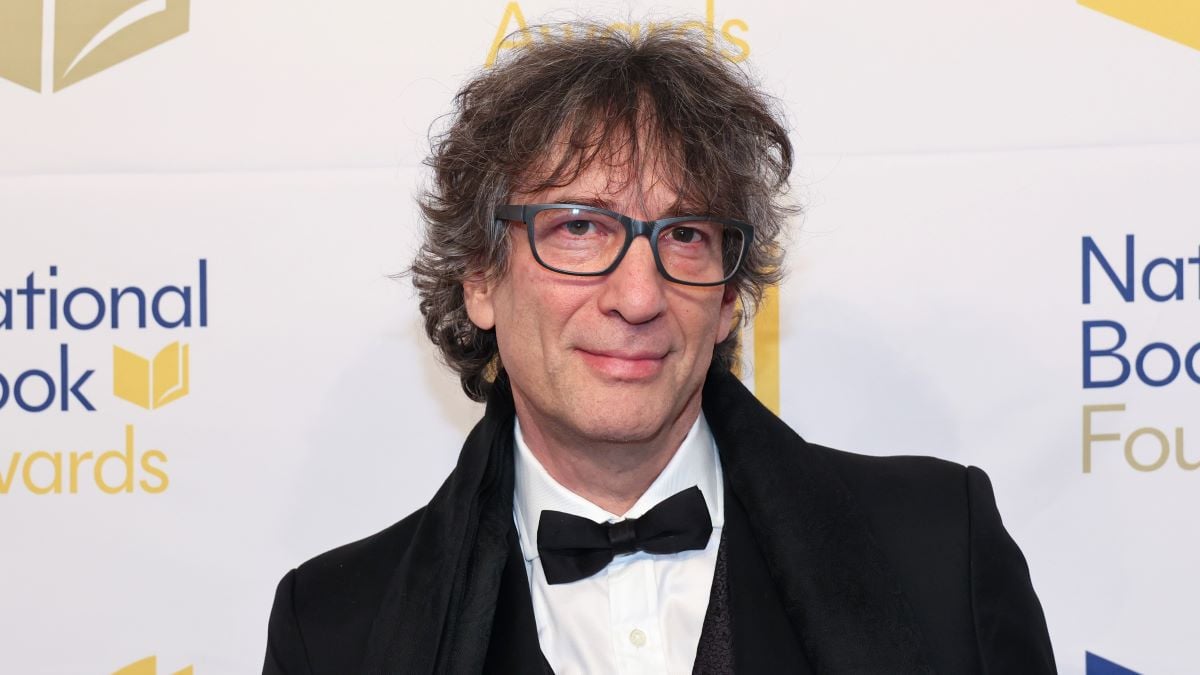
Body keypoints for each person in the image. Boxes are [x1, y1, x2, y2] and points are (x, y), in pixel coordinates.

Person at [263, 22, 1056, 675]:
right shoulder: (334, 631)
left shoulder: (942, 553)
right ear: (480, 276)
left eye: (684, 234)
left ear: (726, 297)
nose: (639, 296)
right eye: (579, 226)